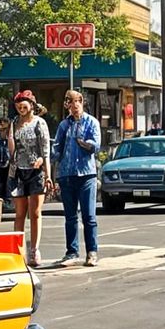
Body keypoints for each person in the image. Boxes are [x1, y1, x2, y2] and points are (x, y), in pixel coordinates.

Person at [53, 89, 102, 267]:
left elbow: (96, 145)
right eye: (69, 103)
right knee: (70, 216)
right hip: (67, 174)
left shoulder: (91, 122)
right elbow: (56, 148)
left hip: (86, 173)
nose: (73, 107)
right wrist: (52, 161)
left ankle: (92, 252)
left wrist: (85, 144)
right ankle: (72, 252)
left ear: (81, 102)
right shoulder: (64, 125)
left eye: (76, 103)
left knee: (89, 216)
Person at [8, 90, 52, 267]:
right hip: (18, 171)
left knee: (34, 213)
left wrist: (47, 174)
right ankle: (18, 250)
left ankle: (34, 249)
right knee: (19, 214)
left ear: (32, 105)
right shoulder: (14, 123)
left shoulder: (39, 123)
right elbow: (11, 149)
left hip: (36, 172)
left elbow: (46, 150)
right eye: (18, 105)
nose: (21, 108)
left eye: (24, 104)